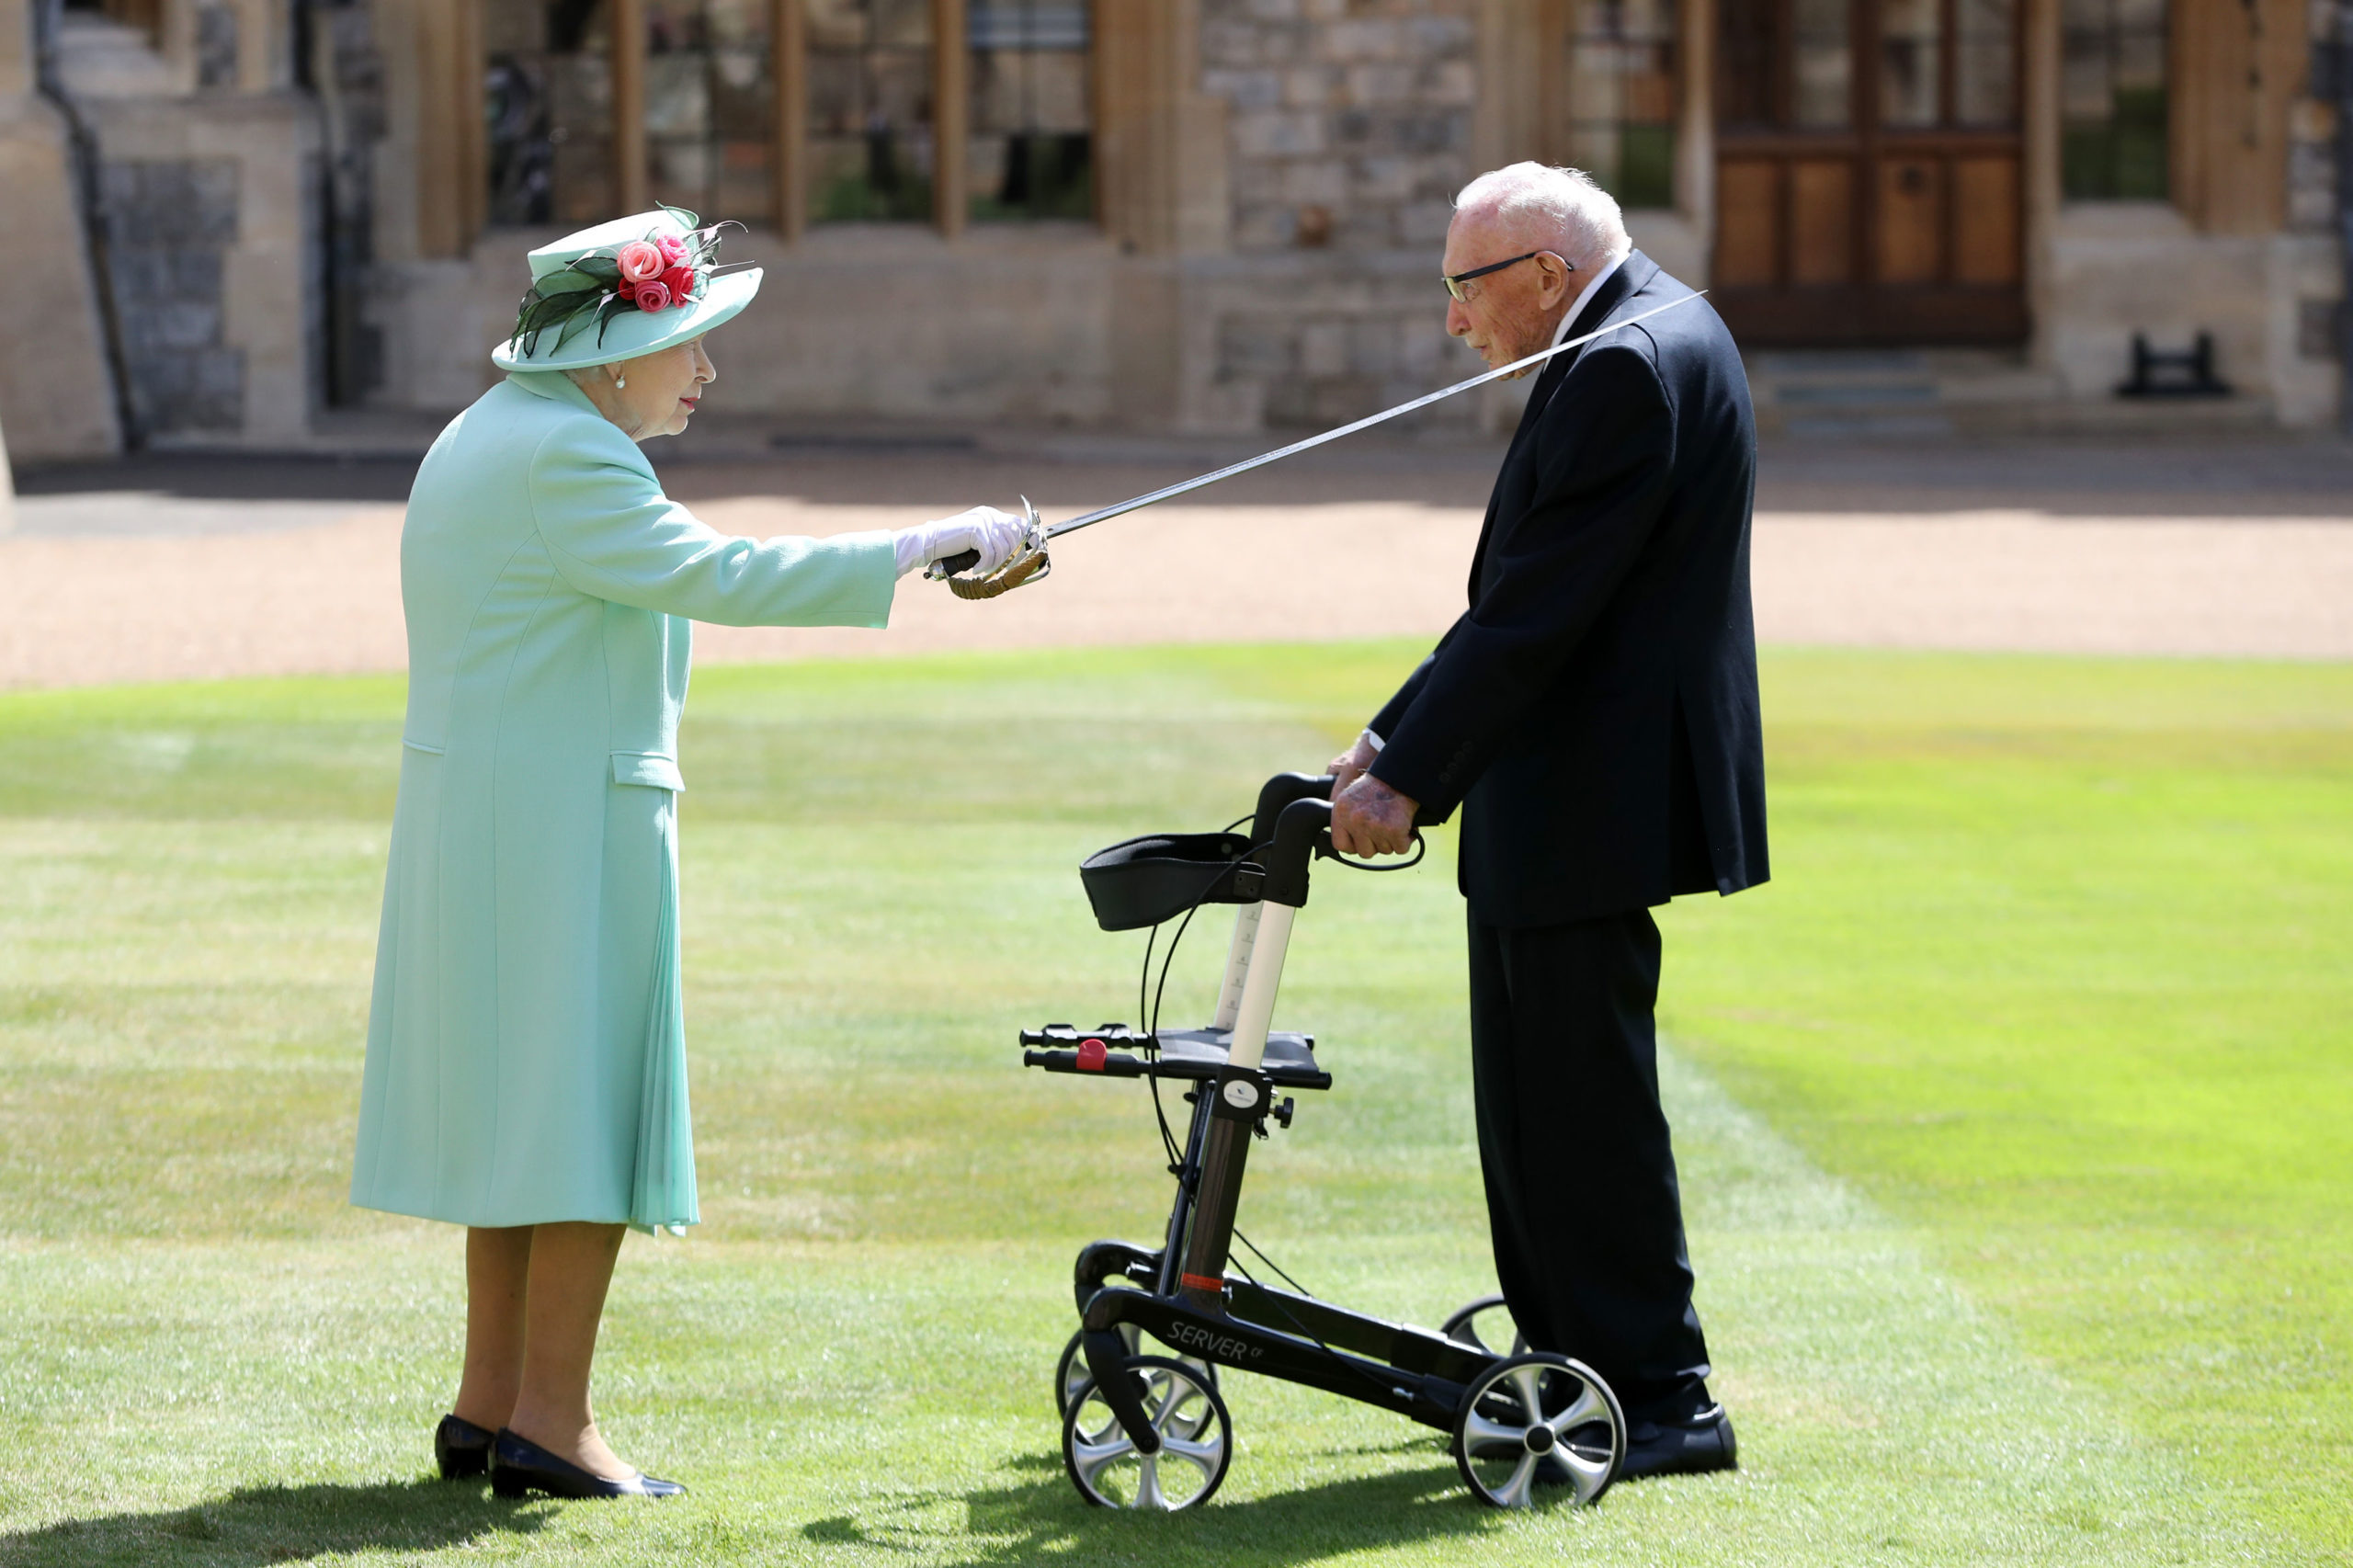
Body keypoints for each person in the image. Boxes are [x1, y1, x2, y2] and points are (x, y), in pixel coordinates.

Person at [347, 210, 1029, 1500]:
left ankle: (490, 1402)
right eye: (687, 342)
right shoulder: (568, 457)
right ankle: (551, 1419)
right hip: (559, 829)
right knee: (584, 1115)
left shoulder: (489, 432)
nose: (704, 372)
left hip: (495, 822)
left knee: (523, 1121)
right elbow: (720, 572)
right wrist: (923, 544)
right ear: (612, 353)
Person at [1325, 164, 1767, 1482]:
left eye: (1464, 289)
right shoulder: (1643, 331)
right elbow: (1526, 594)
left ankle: (1659, 1394)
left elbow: (1539, 611)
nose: (1454, 322)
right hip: (1567, 788)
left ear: (1545, 279)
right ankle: (1572, 1350)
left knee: (1578, 1104)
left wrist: (1407, 771)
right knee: (1533, 1098)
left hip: (1589, 793)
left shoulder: (1625, 364)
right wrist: (1391, 735)